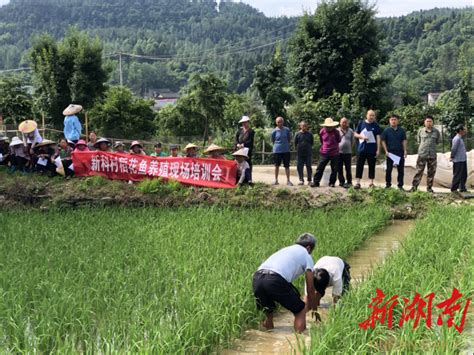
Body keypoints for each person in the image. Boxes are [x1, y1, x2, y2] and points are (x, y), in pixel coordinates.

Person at [253, 233, 317, 332]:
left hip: (257, 278)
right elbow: (310, 288)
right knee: (300, 310)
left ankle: (268, 336)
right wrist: (313, 309)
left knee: (267, 311)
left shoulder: (286, 249)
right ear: (309, 248)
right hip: (274, 279)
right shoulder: (306, 255)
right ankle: (299, 342)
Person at [410, 116, 441, 193]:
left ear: (433, 122)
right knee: (419, 171)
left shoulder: (436, 132)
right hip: (422, 154)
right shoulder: (420, 131)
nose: (429, 123)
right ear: (424, 122)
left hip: (432, 155)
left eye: (430, 121)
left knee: (431, 172)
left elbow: (438, 142)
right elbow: (419, 141)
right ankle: (414, 187)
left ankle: (429, 188)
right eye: (427, 121)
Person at [353, 110, 382, 189]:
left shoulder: (376, 125)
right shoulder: (361, 123)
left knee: (372, 166)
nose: (372, 117)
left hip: (372, 150)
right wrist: (362, 137)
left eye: (373, 115)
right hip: (361, 149)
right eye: (370, 115)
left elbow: (378, 137)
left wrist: (378, 149)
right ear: (366, 115)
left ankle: (371, 183)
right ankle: (358, 182)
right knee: (359, 165)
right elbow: (355, 134)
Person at [312, 118, 341, 188]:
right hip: (324, 152)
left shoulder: (336, 132)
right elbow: (322, 141)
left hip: (334, 153)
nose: (329, 128)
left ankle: (332, 183)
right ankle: (316, 182)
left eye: (330, 127)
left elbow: (338, 140)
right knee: (320, 167)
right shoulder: (322, 131)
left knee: (334, 169)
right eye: (327, 127)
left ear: (333, 126)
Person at [381, 114, 407, 190]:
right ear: (389, 121)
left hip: (400, 152)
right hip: (390, 153)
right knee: (389, 170)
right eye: (392, 120)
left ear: (398, 121)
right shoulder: (386, 130)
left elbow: (404, 140)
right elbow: (383, 141)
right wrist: (386, 151)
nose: (393, 121)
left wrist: (405, 150)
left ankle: (400, 185)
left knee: (401, 170)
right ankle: (388, 184)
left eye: (395, 119)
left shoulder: (401, 130)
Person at [271, 116, 293, 186]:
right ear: (276, 123)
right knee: (276, 165)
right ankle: (276, 180)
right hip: (277, 150)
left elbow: (289, 139)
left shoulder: (287, 130)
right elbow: (273, 140)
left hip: (286, 150)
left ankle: (288, 181)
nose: (280, 123)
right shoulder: (274, 131)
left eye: (281, 122)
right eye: (278, 122)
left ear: (283, 122)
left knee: (287, 166)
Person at [235, 115, 255, 182]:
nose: (244, 123)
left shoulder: (251, 131)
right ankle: (238, 179)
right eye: (243, 122)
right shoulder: (239, 131)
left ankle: (248, 180)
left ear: (248, 122)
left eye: (245, 122)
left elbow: (250, 141)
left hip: (247, 150)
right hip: (239, 150)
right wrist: (237, 144)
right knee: (238, 163)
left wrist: (244, 144)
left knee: (247, 164)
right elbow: (236, 139)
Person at [294, 121, 314, 185]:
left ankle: (309, 180)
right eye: (302, 125)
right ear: (300, 126)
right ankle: (301, 180)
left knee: (309, 167)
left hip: (308, 153)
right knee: (299, 167)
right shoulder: (297, 134)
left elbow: (312, 143)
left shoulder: (310, 134)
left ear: (307, 126)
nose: (304, 127)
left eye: (305, 125)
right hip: (300, 154)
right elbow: (295, 143)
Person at [450, 124, 468, 193]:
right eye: (464, 129)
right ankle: (454, 189)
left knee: (464, 175)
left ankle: (462, 188)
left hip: (463, 159)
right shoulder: (457, 139)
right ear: (460, 130)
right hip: (458, 160)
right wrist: (452, 156)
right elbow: (453, 149)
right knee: (457, 175)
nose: (465, 131)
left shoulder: (460, 138)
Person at [337, 117, 354, 188]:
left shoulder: (350, 131)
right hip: (338, 153)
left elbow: (352, 141)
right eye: (342, 122)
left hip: (348, 153)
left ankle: (349, 182)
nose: (344, 123)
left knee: (348, 168)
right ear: (340, 122)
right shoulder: (337, 130)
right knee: (339, 168)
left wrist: (350, 148)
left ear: (347, 123)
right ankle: (341, 182)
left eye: (345, 122)